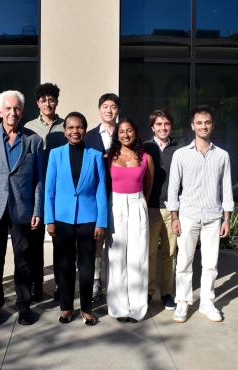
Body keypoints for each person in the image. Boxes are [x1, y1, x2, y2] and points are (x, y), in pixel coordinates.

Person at [0, 90, 43, 327]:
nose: (13, 112)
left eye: (17, 108)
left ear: (22, 112)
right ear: (0, 111)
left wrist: (37, 209)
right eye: (8, 108)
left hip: (23, 209)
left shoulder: (33, 140)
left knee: (24, 261)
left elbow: (38, 180)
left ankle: (24, 307)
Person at [167, 105, 234, 323]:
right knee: (184, 262)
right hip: (187, 215)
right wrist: (175, 217)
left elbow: (226, 189)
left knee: (210, 264)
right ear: (192, 126)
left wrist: (227, 218)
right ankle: (183, 302)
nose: (203, 126)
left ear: (212, 125)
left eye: (207, 122)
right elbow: (173, 188)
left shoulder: (222, 155)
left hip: (213, 217)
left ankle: (207, 302)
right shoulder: (180, 155)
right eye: (199, 122)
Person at [45, 112, 107, 325]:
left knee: (87, 265)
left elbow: (101, 190)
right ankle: (66, 307)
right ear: (64, 131)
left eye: (79, 127)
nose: (75, 131)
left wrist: (102, 221)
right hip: (62, 218)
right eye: (70, 127)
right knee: (64, 265)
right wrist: (49, 219)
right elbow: (49, 189)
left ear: (85, 129)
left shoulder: (96, 155)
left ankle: (87, 308)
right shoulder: (56, 154)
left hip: (89, 218)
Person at [106, 118, 154, 322]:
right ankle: (118, 307)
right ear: (117, 135)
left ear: (135, 132)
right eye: (121, 131)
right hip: (115, 204)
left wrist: (139, 204)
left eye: (129, 130)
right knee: (116, 257)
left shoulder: (146, 157)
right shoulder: (109, 157)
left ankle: (137, 307)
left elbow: (148, 186)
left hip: (137, 203)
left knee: (138, 256)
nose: (125, 135)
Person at [24, 82, 67, 301]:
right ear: (37, 103)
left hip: (60, 191)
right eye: (43, 100)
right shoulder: (29, 127)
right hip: (35, 190)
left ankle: (61, 284)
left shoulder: (66, 126)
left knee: (59, 240)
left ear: (57, 101)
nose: (48, 103)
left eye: (51, 99)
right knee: (34, 241)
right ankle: (36, 285)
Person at [84, 93, 120, 301]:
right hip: (96, 194)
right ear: (99, 109)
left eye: (113, 107)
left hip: (118, 194)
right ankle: (96, 281)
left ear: (117, 110)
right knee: (96, 241)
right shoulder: (89, 136)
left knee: (116, 241)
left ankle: (114, 281)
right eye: (105, 106)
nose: (109, 110)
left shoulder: (125, 134)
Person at [144, 109, 180, 310]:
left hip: (171, 209)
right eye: (159, 124)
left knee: (169, 253)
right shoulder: (145, 148)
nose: (163, 127)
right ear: (152, 127)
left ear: (171, 126)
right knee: (149, 253)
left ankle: (166, 292)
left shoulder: (180, 149)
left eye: (166, 124)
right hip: (150, 208)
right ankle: (149, 291)